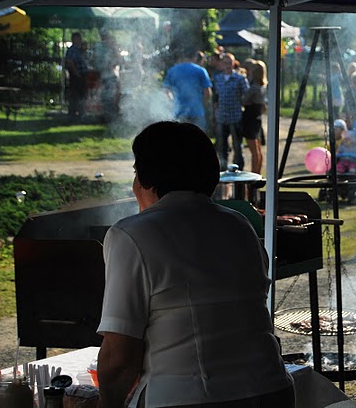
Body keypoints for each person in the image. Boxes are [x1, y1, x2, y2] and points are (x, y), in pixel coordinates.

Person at [96, 121, 294, 408]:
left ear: (145, 178)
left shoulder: (130, 234)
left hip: (190, 397)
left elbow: (120, 357)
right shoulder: (238, 224)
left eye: (136, 172)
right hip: (272, 390)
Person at [212, 53, 249, 171]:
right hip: (221, 117)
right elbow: (215, 97)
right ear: (221, 64)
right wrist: (214, 114)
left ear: (233, 64)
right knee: (222, 146)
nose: (227, 65)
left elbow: (246, 95)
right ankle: (222, 170)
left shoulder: (240, 78)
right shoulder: (217, 79)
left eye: (230, 63)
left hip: (235, 116)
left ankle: (238, 170)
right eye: (225, 63)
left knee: (237, 145)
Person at [162, 47, 212, 131]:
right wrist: (201, 104)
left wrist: (173, 101)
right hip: (197, 111)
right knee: (197, 139)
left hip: (179, 111)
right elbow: (207, 92)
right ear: (195, 57)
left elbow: (166, 90)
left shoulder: (172, 70)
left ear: (182, 57)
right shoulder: (201, 71)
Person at [243, 60, 267, 175]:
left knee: (254, 151)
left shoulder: (254, 88)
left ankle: (254, 173)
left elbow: (244, 101)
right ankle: (258, 172)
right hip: (257, 119)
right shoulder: (263, 86)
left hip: (250, 119)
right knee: (258, 150)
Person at [92, 29, 123, 121]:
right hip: (104, 76)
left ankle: (111, 117)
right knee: (106, 97)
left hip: (111, 76)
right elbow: (96, 62)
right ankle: (108, 116)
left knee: (111, 97)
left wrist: (112, 62)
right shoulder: (100, 48)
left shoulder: (112, 49)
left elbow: (119, 61)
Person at [64, 31, 88, 119]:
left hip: (82, 74)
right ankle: (72, 114)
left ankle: (81, 113)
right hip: (76, 75)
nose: (80, 40)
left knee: (82, 94)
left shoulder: (80, 50)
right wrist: (75, 72)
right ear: (74, 39)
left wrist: (84, 50)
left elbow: (85, 60)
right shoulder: (72, 50)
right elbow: (69, 62)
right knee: (75, 95)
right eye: (78, 38)